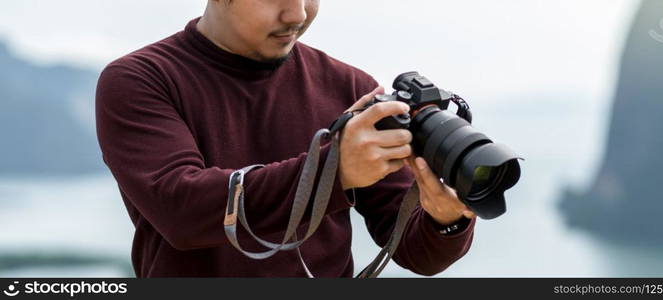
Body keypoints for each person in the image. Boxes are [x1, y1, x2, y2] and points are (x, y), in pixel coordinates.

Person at [95, 0, 477, 277]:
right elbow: (182, 212)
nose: (297, 14)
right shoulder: (139, 80)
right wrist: (335, 169)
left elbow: (416, 253)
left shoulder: (349, 86)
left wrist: (445, 220)